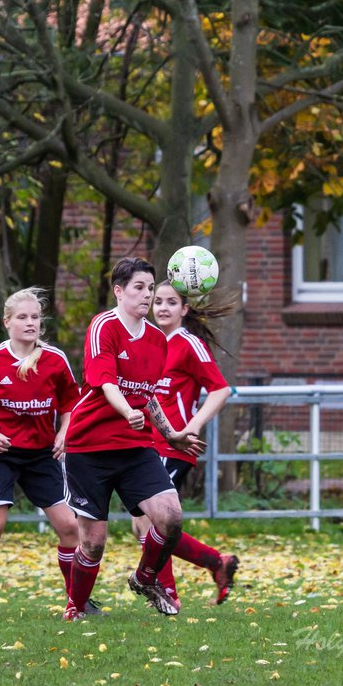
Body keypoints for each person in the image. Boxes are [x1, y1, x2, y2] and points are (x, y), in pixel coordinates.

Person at [62, 257, 205, 621]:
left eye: (151, 288)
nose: (147, 296)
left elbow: (150, 395)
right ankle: (75, 609)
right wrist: (127, 411)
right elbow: (106, 381)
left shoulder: (158, 340)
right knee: (93, 544)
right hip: (89, 447)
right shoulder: (103, 326)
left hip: (135, 446)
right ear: (119, 290)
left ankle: (145, 577)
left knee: (171, 517)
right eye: (139, 288)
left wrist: (171, 434)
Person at [0, 287, 88, 617]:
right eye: (22, 317)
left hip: (42, 456)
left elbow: (71, 403)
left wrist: (64, 433)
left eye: (36, 317)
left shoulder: (55, 360)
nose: (30, 323)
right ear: (7, 322)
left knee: (70, 528)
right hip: (1, 455)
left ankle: (78, 602)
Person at [131, 283, 239, 609]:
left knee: (154, 521)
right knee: (143, 523)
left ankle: (169, 594)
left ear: (184, 309)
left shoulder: (189, 344)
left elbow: (220, 390)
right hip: (144, 445)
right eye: (158, 301)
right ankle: (215, 563)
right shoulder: (147, 341)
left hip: (173, 447)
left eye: (171, 302)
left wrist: (191, 426)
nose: (162, 307)